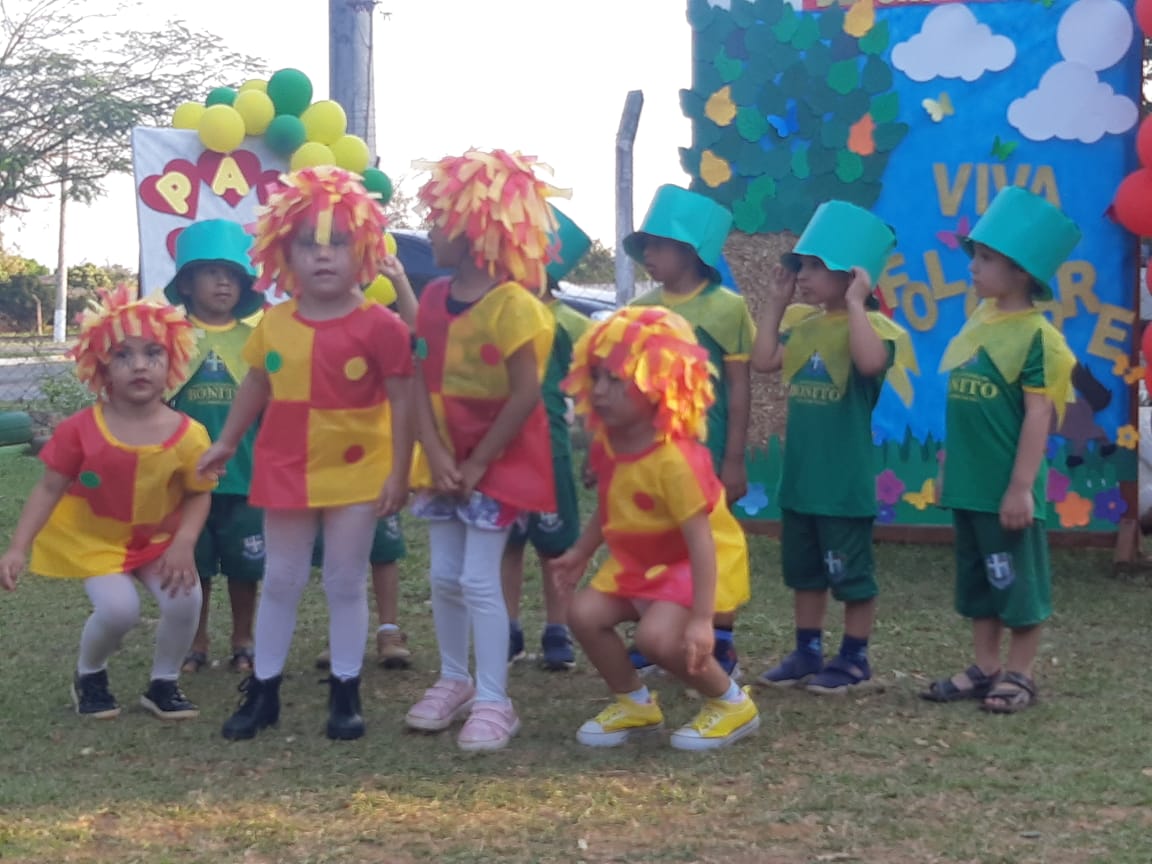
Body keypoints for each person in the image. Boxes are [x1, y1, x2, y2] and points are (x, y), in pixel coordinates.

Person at [199, 166, 416, 742]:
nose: (323, 256)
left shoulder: (383, 326)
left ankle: (346, 692)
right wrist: (225, 441)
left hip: (357, 471)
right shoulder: (274, 322)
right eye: (308, 244)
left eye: (338, 242)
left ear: (364, 249)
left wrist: (400, 471)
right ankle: (263, 692)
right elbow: (255, 384)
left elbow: (403, 400)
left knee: (345, 582)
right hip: (285, 465)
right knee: (282, 579)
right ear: (283, 253)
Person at [405, 148, 560, 752]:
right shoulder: (435, 298)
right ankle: (454, 680)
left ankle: (496, 697)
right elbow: (420, 380)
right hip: (446, 458)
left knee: (477, 578)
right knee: (443, 575)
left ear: (474, 229)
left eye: (438, 219)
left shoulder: (514, 306)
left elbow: (524, 395)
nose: (429, 230)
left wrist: (475, 463)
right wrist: (435, 452)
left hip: (499, 462)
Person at [0, 285, 214, 720]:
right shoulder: (79, 430)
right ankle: (90, 675)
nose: (139, 365)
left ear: (172, 362)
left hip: (158, 541)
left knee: (185, 599)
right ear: (100, 366)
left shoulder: (190, 433)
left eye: (153, 353)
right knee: (120, 610)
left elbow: (198, 493)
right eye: (123, 355)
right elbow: (47, 488)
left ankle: (164, 683)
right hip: (95, 541)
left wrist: (184, 542)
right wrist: (18, 547)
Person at [552, 306, 757, 750]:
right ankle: (635, 704)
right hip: (642, 560)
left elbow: (702, 543)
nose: (601, 391)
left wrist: (703, 621)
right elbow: (611, 502)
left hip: (691, 560)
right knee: (584, 614)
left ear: (659, 384)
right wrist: (583, 551)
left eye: (617, 380)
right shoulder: (611, 440)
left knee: (659, 639)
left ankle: (730, 704)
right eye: (597, 377)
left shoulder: (675, 459)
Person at [922, 186, 1079, 714]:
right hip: (968, 485)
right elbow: (959, 411)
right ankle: (985, 665)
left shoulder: (1041, 339)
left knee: (1017, 581)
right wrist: (948, 467)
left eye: (987, 257)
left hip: (1005, 491)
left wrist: (1019, 489)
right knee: (977, 580)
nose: (974, 265)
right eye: (975, 255)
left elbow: (1039, 416)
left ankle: (1021, 671)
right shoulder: (977, 322)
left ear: (1023, 274)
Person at [751, 201, 917, 694]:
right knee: (805, 573)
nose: (802, 275)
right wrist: (776, 306)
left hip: (843, 484)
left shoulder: (876, 329)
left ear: (853, 275)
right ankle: (807, 650)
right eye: (800, 264)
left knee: (852, 577)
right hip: (801, 478)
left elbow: (868, 364)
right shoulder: (804, 327)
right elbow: (763, 360)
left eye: (815, 266)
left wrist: (854, 305)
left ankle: (854, 657)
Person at [623, 185, 754, 679]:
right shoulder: (642, 309)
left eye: (658, 245)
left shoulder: (727, 308)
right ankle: (659, 635)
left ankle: (720, 642)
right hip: (654, 455)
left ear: (691, 251)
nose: (649, 256)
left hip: (709, 451)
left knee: (712, 542)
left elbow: (739, 390)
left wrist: (734, 458)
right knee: (658, 539)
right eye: (647, 247)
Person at [163, 219, 266, 676]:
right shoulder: (167, 339)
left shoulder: (256, 339)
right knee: (194, 565)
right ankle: (195, 639)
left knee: (247, 564)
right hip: (184, 480)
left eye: (233, 273)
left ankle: (243, 638)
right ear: (186, 282)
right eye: (210, 271)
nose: (224, 281)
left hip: (247, 475)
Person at [314, 245, 420, 672]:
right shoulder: (311, 324)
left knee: (382, 551)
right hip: (327, 462)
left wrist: (399, 280)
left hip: (375, 459)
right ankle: (343, 631)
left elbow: (417, 331)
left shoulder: (380, 322)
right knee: (340, 555)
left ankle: (388, 630)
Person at [502, 206, 592, 671]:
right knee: (506, 542)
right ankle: (508, 628)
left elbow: (596, 386)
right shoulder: (497, 312)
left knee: (555, 545)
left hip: (550, 451)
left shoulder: (571, 323)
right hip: (499, 451)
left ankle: (558, 629)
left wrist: (595, 445)